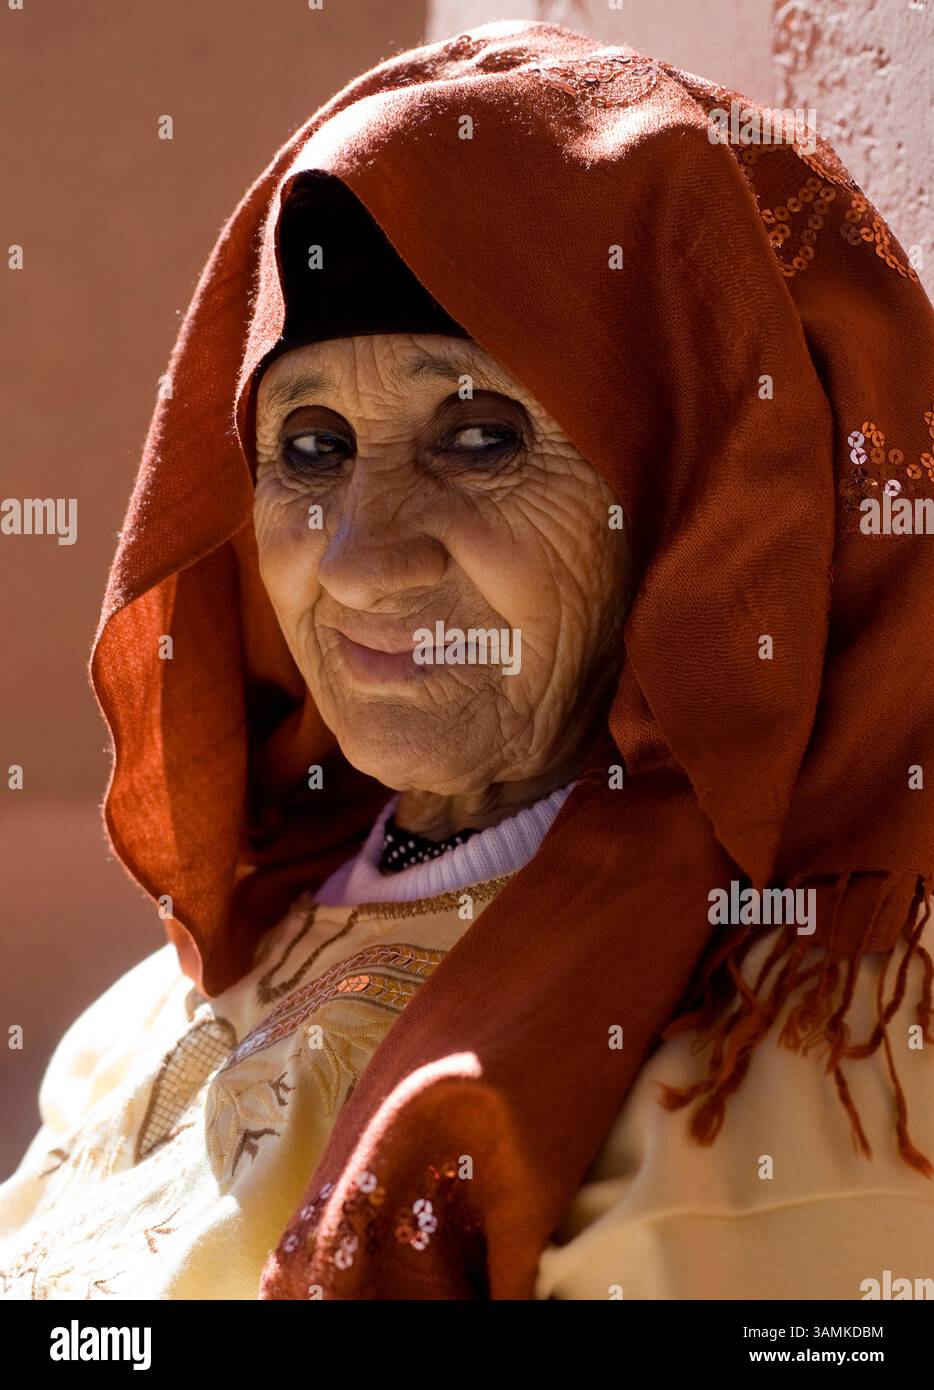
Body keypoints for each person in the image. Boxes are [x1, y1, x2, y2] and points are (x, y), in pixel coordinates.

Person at [1, 19, 933, 1301]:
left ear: (695, 500)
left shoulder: (792, 1071)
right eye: (312, 448)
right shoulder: (159, 1010)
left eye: (481, 436)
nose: (362, 561)